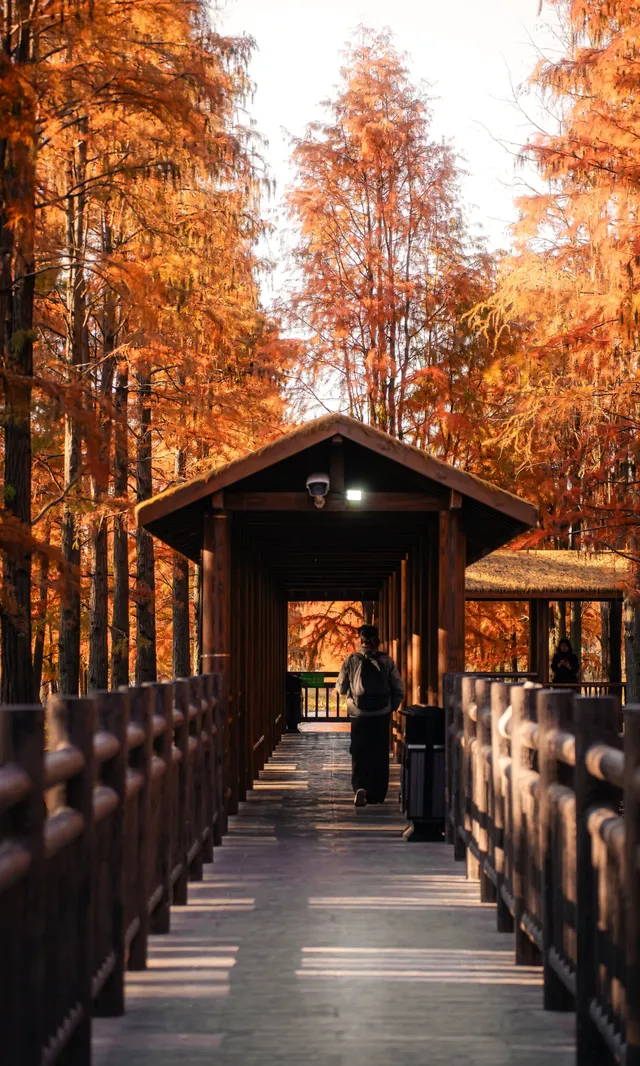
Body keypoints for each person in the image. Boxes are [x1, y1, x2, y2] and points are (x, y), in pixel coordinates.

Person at [336, 624, 403, 807]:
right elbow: (398, 687)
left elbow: (341, 687)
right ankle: (378, 793)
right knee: (380, 753)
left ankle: (360, 787)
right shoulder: (386, 661)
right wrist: (391, 706)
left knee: (359, 751)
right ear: (376, 640)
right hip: (381, 714)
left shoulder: (352, 659)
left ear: (360, 639)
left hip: (359, 715)